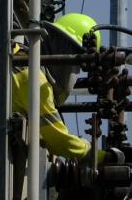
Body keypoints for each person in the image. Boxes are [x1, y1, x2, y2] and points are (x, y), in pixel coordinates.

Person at [13, 11, 99, 161]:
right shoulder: (35, 81)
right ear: (66, 51)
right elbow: (59, 142)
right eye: (78, 65)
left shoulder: (22, 60)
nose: (75, 72)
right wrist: (99, 154)